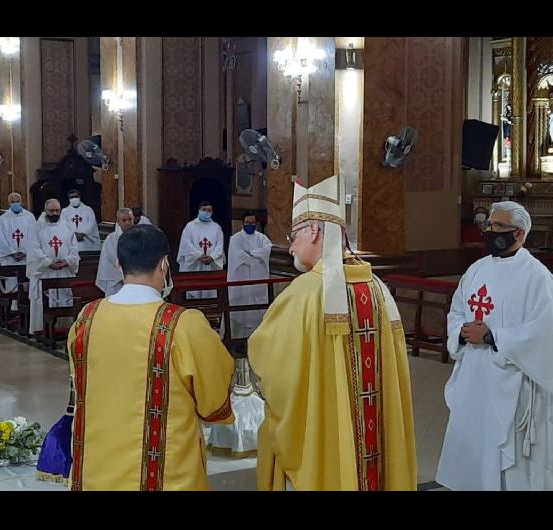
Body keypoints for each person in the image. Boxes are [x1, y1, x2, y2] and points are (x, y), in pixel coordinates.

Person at [248, 175, 417, 491]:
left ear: (314, 231)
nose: (291, 245)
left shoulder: (305, 293)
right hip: (373, 439)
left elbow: (271, 368)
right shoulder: (379, 289)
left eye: (294, 234)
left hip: (324, 437)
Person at [66, 224, 235, 490]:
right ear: (164, 264)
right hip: (165, 477)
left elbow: (79, 386)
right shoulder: (183, 325)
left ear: (119, 264)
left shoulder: (86, 319)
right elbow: (214, 403)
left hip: (97, 473)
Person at [436, 201, 553, 491]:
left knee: (509, 462)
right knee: (474, 448)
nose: (492, 231)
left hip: (513, 382)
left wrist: (492, 337)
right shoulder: (476, 270)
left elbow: (544, 334)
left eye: (500, 227)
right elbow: (457, 311)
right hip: (475, 377)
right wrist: (462, 332)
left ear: (521, 233)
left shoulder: (536, 277)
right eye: (489, 225)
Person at [26, 199, 79, 336]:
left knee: (64, 300)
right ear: (45, 211)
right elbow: (33, 249)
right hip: (45, 273)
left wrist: (67, 261)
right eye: (51, 211)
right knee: (43, 302)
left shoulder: (67, 226)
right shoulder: (37, 228)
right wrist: (48, 262)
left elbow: (74, 247)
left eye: (57, 210)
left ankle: (65, 328)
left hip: (63, 272)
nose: (55, 213)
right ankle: (41, 329)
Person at [225, 210, 272, 340]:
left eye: (252, 222)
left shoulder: (262, 238)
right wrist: (256, 256)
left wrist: (252, 253)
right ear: (242, 223)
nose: (250, 224)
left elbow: (267, 249)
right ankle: (237, 341)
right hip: (241, 281)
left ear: (256, 223)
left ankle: (257, 340)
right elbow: (240, 256)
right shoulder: (235, 239)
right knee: (240, 313)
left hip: (258, 282)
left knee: (257, 311)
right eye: (247, 222)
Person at [0, 192, 36, 307]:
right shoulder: (3, 219)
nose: (16, 204)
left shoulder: (29, 217)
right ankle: (12, 309)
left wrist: (25, 252)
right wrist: (12, 253)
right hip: (9, 259)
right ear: (9, 203)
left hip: (27, 258)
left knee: (26, 284)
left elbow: (35, 236)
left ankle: (27, 307)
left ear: (21, 202)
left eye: (17, 201)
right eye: (13, 202)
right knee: (11, 282)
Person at [177, 201, 225, 299]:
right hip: (194, 266)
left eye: (209, 210)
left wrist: (212, 257)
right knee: (194, 294)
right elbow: (186, 244)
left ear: (212, 212)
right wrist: (199, 256)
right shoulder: (190, 227)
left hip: (210, 265)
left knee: (211, 294)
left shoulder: (216, 228)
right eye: (204, 210)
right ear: (199, 211)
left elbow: (220, 245)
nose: (206, 212)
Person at [95, 208, 134, 296]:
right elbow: (115, 260)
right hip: (115, 280)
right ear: (118, 222)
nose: (128, 223)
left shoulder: (139, 237)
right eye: (124, 220)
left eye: (130, 219)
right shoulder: (111, 239)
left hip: (134, 280)